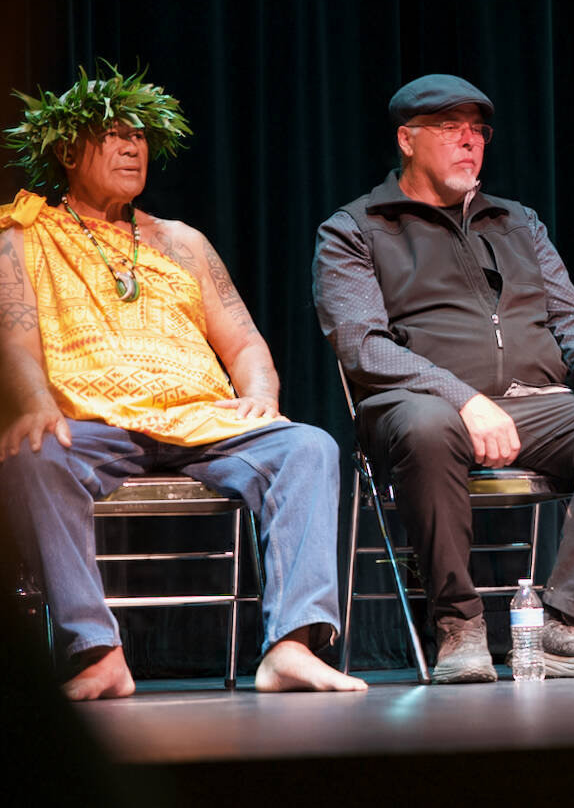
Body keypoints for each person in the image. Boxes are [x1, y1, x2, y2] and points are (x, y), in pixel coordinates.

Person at [0, 66, 367, 699]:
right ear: (65, 150)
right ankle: (98, 652)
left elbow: (246, 343)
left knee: (309, 447)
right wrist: (34, 403)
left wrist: (261, 397)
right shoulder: (20, 236)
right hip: (96, 423)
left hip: (205, 422)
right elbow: (16, 337)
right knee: (30, 456)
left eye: (140, 137)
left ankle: (291, 646)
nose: (132, 147)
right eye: (114, 134)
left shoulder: (182, 242)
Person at [314, 74, 574, 683]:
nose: (469, 142)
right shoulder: (355, 228)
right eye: (450, 129)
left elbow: (572, 315)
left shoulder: (517, 222)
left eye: (477, 131)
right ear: (407, 139)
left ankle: (563, 623)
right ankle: (458, 625)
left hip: (533, 405)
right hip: (417, 408)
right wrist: (464, 398)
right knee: (429, 426)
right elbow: (360, 344)